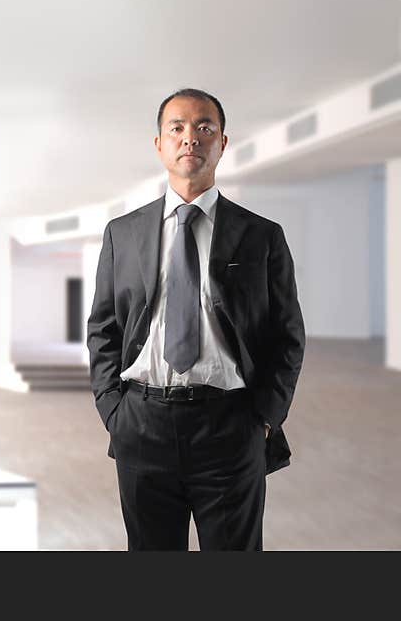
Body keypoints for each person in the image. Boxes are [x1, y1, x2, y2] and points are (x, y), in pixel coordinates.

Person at [87, 88, 305, 550]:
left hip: (230, 426)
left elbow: (288, 336)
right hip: (141, 425)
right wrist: (113, 411)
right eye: (178, 128)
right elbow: (103, 329)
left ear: (223, 143)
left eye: (205, 127)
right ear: (160, 144)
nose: (191, 138)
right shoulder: (121, 235)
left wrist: (263, 419)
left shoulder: (261, 236)